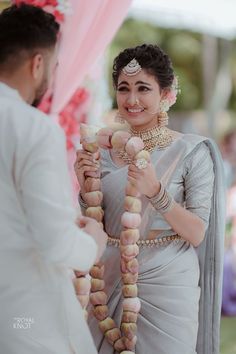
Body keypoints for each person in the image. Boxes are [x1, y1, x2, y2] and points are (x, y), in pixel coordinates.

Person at [75, 44, 225, 354]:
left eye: (143, 88)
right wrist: (84, 186)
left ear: (166, 94)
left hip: (167, 282)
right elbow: (97, 225)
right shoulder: (102, 149)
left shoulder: (191, 152)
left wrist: (156, 191)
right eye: (123, 88)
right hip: (109, 276)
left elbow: (197, 232)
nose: (131, 100)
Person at [0, 4, 107, 354]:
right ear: (38, 64)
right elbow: (55, 243)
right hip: (22, 318)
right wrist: (92, 242)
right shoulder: (33, 128)